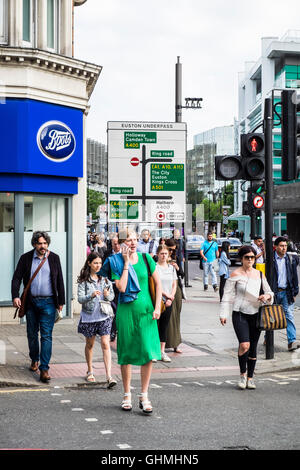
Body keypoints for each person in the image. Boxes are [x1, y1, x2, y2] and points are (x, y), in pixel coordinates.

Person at [106, 229, 162, 414]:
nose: (133, 243)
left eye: (135, 239)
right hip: (126, 312)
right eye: (128, 240)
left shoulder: (146, 259)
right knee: (127, 352)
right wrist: (125, 263)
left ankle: (144, 395)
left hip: (146, 312)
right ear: (121, 242)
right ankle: (127, 394)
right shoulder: (115, 261)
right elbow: (121, 287)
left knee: (148, 352)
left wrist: (157, 307)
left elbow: (158, 283)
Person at [11, 231, 65, 383]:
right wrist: (15, 295)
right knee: (32, 334)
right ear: (34, 243)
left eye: (45, 243)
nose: (43, 246)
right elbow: (16, 278)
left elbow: (60, 279)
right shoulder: (25, 258)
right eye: (40, 243)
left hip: (48, 302)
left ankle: (45, 368)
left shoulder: (54, 258)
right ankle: (34, 358)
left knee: (46, 335)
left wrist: (61, 301)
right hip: (30, 302)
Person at [220, 246, 273, 390]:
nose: (250, 260)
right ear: (241, 259)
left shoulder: (260, 274)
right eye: (247, 257)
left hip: (256, 314)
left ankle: (251, 378)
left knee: (253, 347)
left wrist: (267, 296)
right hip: (240, 313)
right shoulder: (235, 274)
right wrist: (223, 314)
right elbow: (227, 295)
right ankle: (242, 375)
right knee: (245, 345)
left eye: (252, 257)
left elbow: (269, 292)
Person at [77, 252, 117, 387]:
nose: (98, 265)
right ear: (89, 263)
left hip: (104, 316)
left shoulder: (105, 279)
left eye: (100, 263)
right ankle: (90, 371)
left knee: (106, 343)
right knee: (90, 345)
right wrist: (91, 295)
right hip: (89, 317)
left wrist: (107, 296)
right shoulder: (84, 281)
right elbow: (80, 299)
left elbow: (111, 296)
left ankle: (109, 376)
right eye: (95, 263)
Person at [272, 237, 300, 351]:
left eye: (285, 246)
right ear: (276, 246)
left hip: (287, 292)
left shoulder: (290, 259)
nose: (284, 248)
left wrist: (295, 292)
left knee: (288, 315)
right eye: (281, 246)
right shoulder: (270, 259)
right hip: (273, 292)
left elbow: (294, 277)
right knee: (272, 316)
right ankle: (267, 337)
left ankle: (291, 341)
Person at [155, 245, 178, 363]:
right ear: (157, 254)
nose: (164, 256)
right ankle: (154, 351)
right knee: (154, 326)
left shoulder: (171, 268)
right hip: (158, 300)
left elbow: (174, 284)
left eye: (165, 254)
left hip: (169, 301)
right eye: (161, 253)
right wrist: (166, 295)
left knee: (164, 326)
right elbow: (155, 285)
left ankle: (162, 351)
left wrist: (171, 297)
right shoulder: (155, 267)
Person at [165, 238, 184, 354]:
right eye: (170, 249)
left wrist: (177, 268)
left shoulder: (175, 258)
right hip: (163, 290)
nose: (171, 252)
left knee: (176, 318)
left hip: (175, 290)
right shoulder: (159, 258)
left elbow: (182, 274)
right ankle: (164, 344)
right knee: (165, 319)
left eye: (173, 250)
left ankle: (175, 344)